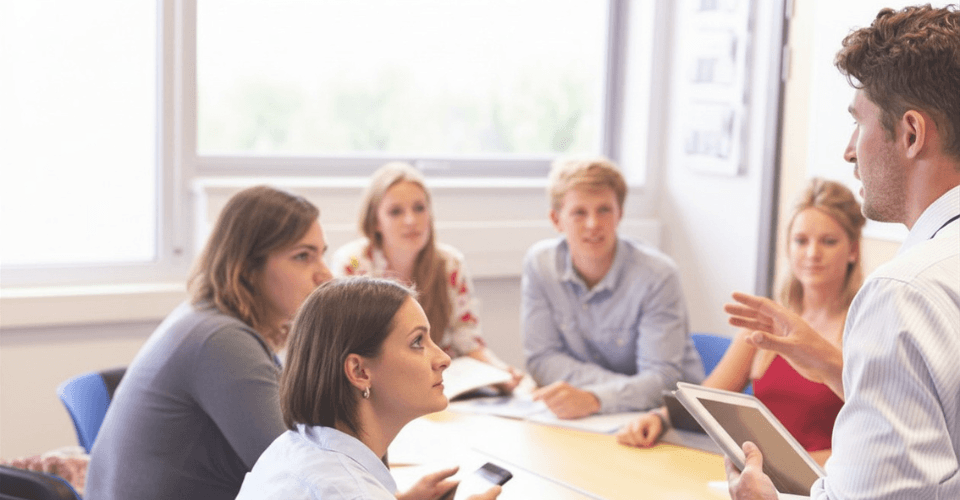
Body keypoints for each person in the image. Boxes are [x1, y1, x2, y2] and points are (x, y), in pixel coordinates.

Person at [723, 5, 960, 499]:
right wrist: (835, 366)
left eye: (860, 124)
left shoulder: (903, 293)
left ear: (911, 134)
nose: (850, 150)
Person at [86, 186, 332, 500]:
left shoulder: (204, 318)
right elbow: (302, 480)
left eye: (321, 254)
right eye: (303, 257)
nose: (324, 274)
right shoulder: (222, 342)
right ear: (247, 268)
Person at [617, 178, 864, 466]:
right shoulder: (766, 320)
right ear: (788, 247)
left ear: (853, 250)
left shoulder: (865, 328)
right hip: (760, 477)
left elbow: (875, 439)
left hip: (828, 479)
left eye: (829, 241)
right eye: (801, 241)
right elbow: (706, 400)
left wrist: (795, 465)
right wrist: (659, 417)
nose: (812, 254)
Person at [235, 277, 501, 500]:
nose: (443, 358)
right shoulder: (352, 492)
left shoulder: (292, 446)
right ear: (359, 372)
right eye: (417, 342)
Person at [521, 156, 704, 419]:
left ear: (620, 214)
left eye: (604, 210)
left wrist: (596, 398)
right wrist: (612, 394)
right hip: (596, 416)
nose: (593, 224)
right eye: (579, 212)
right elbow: (542, 359)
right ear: (556, 219)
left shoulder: (658, 275)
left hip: (669, 419)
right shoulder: (540, 265)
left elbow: (662, 380)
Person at [331, 162, 523, 391]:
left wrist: (499, 371)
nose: (411, 220)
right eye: (396, 212)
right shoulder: (353, 262)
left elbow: (467, 340)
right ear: (375, 221)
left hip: (441, 383)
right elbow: (349, 346)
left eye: (419, 208)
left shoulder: (450, 264)